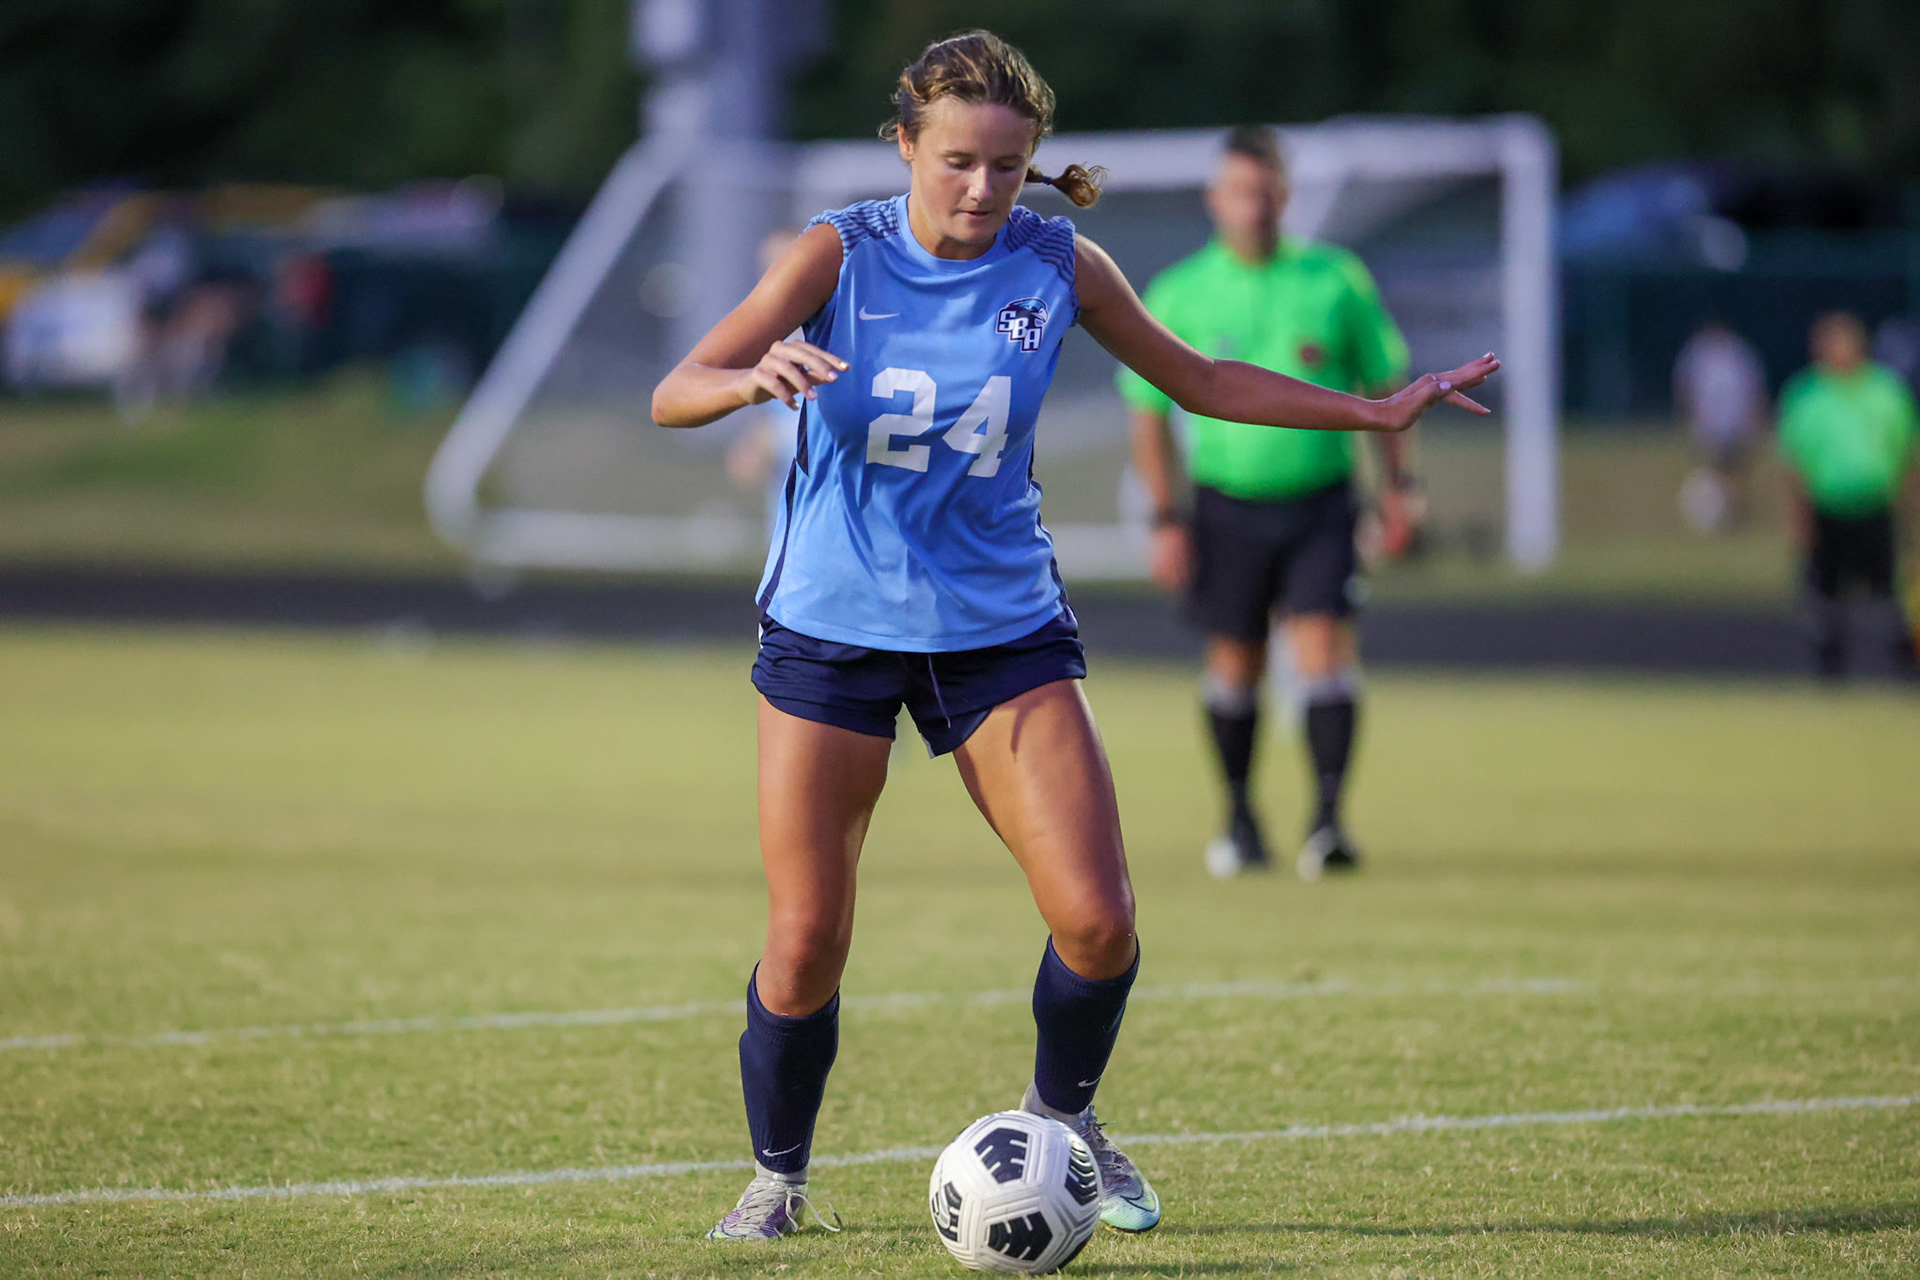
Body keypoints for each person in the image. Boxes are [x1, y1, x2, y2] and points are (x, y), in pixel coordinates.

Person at [650, 30, 1498, 1246]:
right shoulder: (836, 251)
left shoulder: (1060, 263)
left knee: (1098, 918)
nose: (981, 187)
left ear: (1034, 162)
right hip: (833, 630)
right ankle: (775, 1179)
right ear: (905, 144)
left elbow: (1199, 377)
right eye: (956, 160)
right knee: (804, 937)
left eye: (1006, 164)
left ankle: (1067, 1122)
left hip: (1002, 632)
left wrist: (1372, 410)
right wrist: (746, 379)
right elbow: (679, 383)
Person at [1119, 125, 1415, 883]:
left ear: (1285, 195)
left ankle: (1326, 820)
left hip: (1320, 501)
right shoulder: (1179, 291)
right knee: (1235, 666)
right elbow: (1147, 413)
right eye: (1238, 191)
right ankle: (1242, 817)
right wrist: (1164, 518)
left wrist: (1399, 491)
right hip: (1225, 507)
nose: (1252, 205)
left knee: (1323, 654)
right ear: (1215, 199)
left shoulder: (1336, 279)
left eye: (1265, 190)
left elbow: (1383, 389)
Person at [1776, 311, 1918, 678]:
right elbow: (1792, 464)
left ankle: (1905, 662)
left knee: (1892, 590)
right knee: (1826, 592)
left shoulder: (1885, 392)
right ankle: (1830, 667)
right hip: (1828, 507)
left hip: (1875, 505)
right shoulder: (1806, 396)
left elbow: (1906, 455)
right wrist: (1799, 517)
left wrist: (1910, 510)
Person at [1673, 319, 1768, 534]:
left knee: (1735, 472)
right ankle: (1717, 516)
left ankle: (1731, 515)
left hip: (1736, 423)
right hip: (1709, 425)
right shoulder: (1696, 353)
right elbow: (1685, 388)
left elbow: (1753, 389)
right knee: (1715, 472)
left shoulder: (1740, 353)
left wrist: (1753, 418)